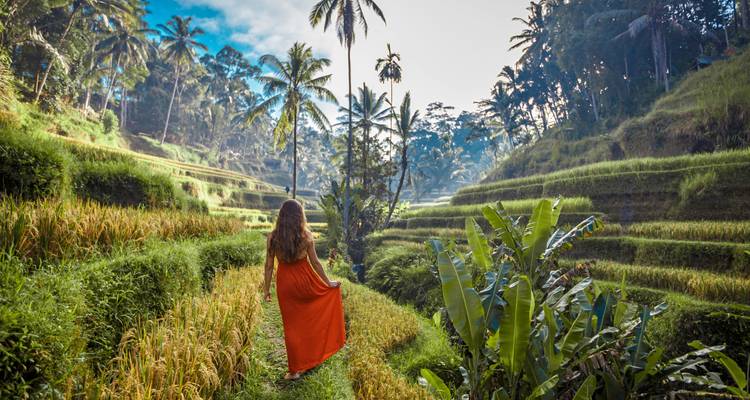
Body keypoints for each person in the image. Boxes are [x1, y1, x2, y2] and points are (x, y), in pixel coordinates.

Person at [263, 199, 346, 380]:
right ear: (300, 216)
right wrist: (328, 283)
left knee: (291, 327)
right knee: (309, 320)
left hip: (285, 283)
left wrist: (266, 290)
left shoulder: (273, 237)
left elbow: (269, 266)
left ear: (282, 216)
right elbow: (315, 263)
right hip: (305, 280)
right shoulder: (306, 235)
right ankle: (311, 359)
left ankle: (295, 370)